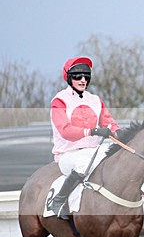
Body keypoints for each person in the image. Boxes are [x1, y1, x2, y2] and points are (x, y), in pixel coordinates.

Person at [49, 57, 120, 219]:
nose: (82, 80)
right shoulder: (59, 101)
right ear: (68, 78)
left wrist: (119, 132)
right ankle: (58, 200)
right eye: (77, 76)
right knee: (84, 164)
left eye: (86, 76)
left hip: (93, 151)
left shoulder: (95, 100)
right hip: (67, 155)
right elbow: (65, 131)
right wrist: (93, 131)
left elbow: (108, 122)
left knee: (116, 161)